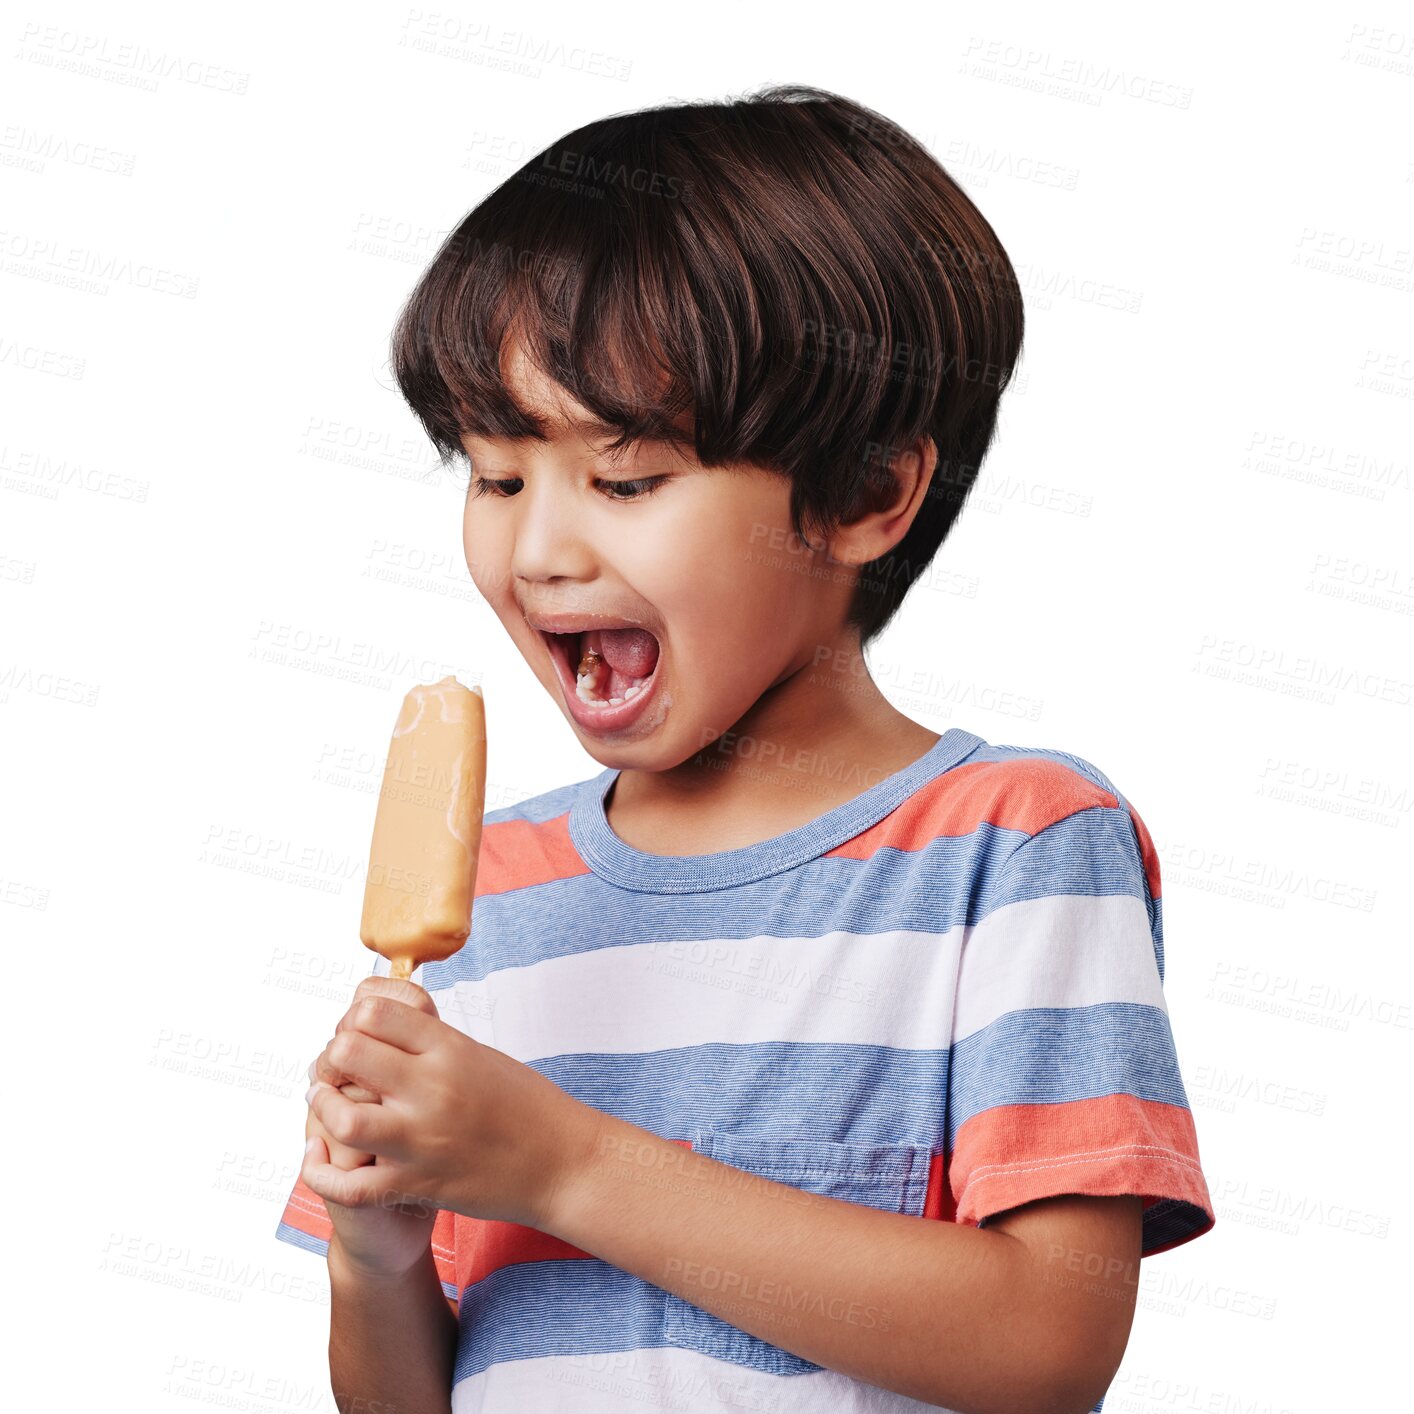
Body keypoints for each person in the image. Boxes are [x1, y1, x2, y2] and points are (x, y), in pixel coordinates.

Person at [275, 83, 1214, 1414]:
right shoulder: (492, 887)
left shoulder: (1013, 843)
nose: (538, 550)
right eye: (494, 476)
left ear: (863, 496)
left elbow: (1045, 1346)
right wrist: (373, 1254)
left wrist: (557, 1165)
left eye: (625, 479)